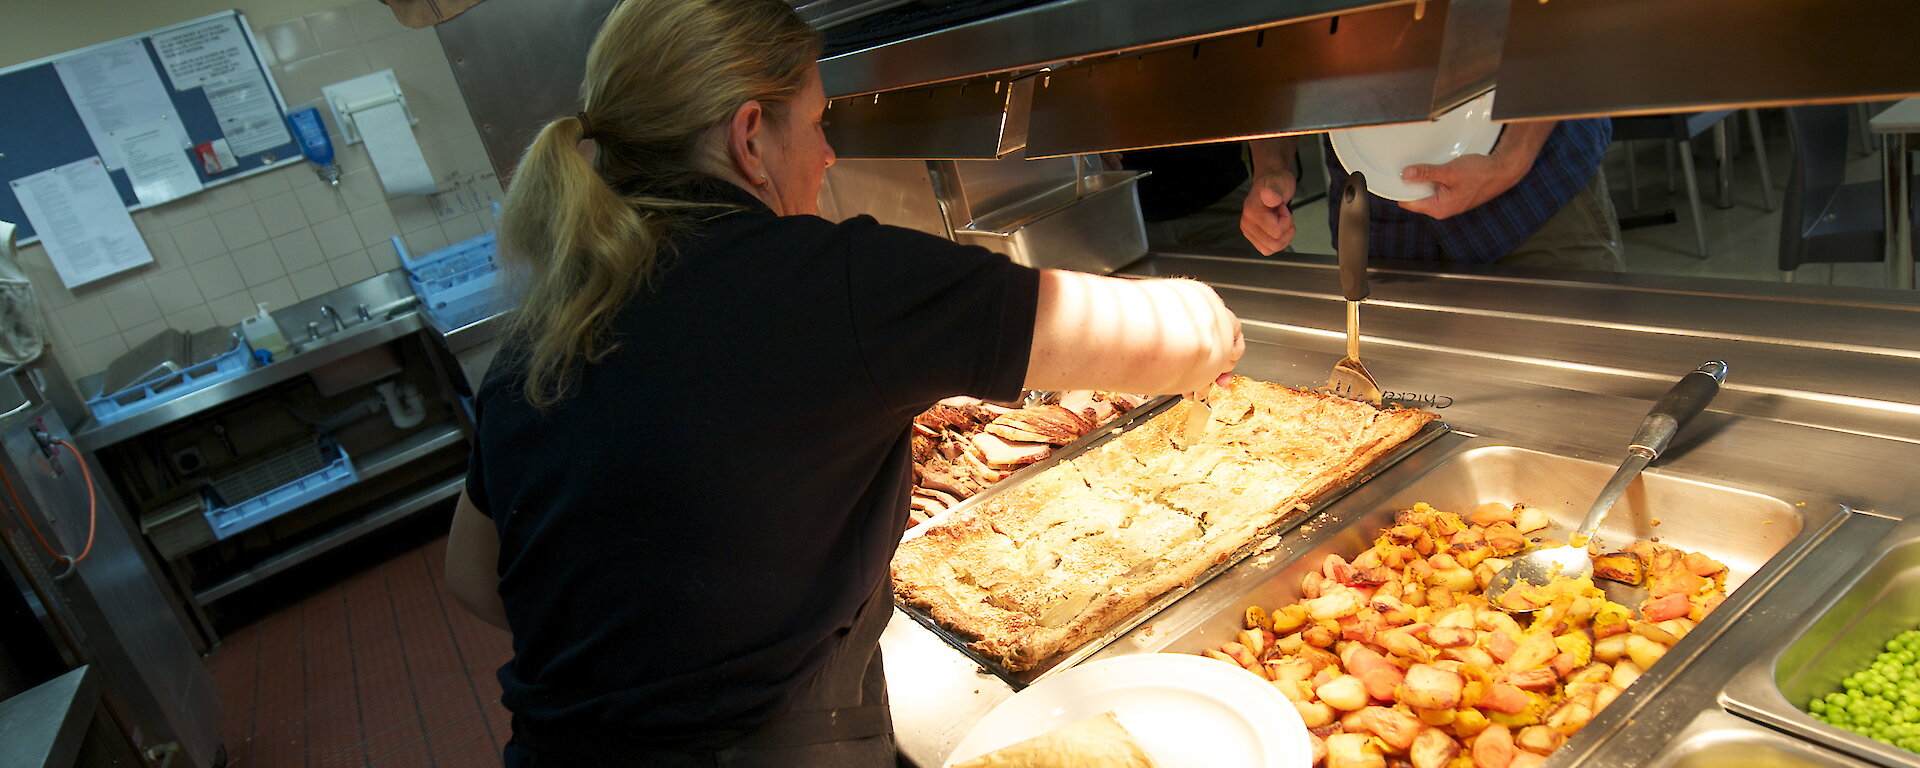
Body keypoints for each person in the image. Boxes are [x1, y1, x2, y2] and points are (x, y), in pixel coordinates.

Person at [440, 1, 1243, 766]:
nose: (828, 156)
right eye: (819, 123)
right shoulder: (830, 284)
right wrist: (1214, 323)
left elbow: (473, 575)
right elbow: (1183, 337)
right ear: (749, 136)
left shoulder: (542, 331)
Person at [1240, 119, 1625, 271]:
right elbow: (1273, 51)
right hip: (1378, 212)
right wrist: (1271, 166)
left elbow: (1556, 19)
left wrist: (1510, 161)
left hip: (1530, 193)